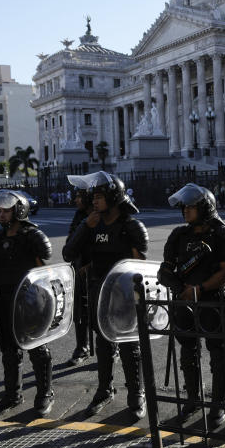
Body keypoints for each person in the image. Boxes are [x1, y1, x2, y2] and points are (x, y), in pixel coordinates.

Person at [62, 172, 148, 420]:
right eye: (93, 197)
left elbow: (141, 265)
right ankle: (104, 390)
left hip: (125, 297)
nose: (95, 201)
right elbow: (69, 253)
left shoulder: (131, 226)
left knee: (131, 346)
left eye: (99, 197)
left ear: (113, 198)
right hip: (99, 294)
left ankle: (136, 394)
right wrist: (84, 228)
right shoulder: (90, 224)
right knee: (103, 346)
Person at [158, 184, 225, 426]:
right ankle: (193, 398)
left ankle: (218, 404)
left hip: (212, 300)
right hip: (184, 300)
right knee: (188, 351)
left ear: (204, 207)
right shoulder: (179, 235)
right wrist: (181, 289)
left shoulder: (221, 233)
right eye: (184, 207)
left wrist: (200, 290)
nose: (185, 211)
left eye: (190, 207)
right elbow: (165, 270)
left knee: (217, 353)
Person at [0, 190, 55, 416]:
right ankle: (12, 394)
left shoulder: (32, 237)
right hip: (4, 302)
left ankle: (45, 393)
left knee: (36, 349)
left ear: (19, 210)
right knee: (9, 350)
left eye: (6, 210)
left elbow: (45, 271)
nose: (2, 215)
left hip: (29, 302)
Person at [65, 188, 93, 366]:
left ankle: (112, 348)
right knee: (80, 311)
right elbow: (70, 243)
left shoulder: (103, 215)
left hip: (98, 270)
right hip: (79, 267)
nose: (76, 200)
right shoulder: (79, 216)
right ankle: (82, 347)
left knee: (103, 310)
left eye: (79, 196)